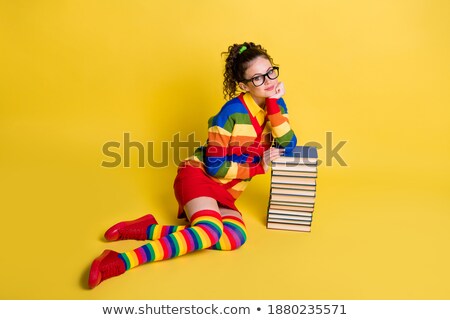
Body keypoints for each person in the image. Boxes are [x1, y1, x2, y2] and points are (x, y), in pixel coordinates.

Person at [88, 42, 297, 288]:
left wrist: (273, 103)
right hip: (199, 176)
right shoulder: (230, 113)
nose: (269, 80)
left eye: (271, 72)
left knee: (234, 237)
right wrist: (258, 165)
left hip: (227, 192)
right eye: (258, 78)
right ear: (243, 86)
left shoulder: (276, 106)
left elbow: (288, 145)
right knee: (209, 231)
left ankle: (148, 229)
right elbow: (215, 166)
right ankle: (122, 261)